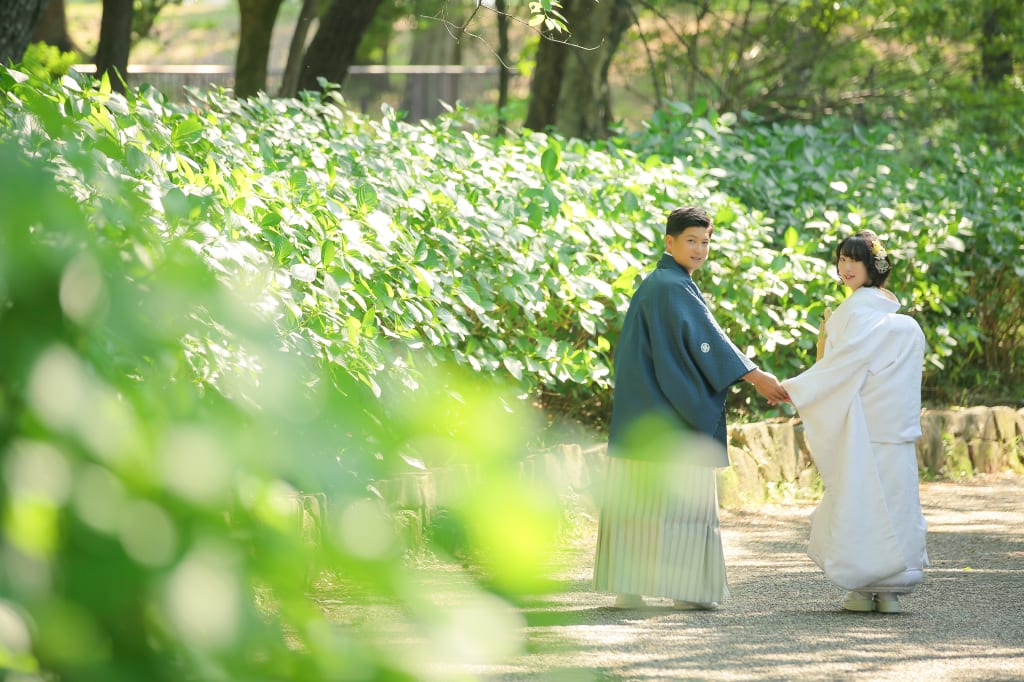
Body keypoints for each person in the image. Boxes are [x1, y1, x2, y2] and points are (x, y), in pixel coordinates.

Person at [593, 206, 789, 610]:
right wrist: (755, 376)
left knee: (637, 503)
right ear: (670, 242)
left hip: (641, 412)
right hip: (670, 415)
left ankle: (629, 588)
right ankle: (687, 590)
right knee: (682, 502)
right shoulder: (672, 286)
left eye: (705, 241)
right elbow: (708, 343)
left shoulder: (660, 282)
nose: (699, 249)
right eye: (691, 240)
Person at [782, 229, 928, 614]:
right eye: (842, 259)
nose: (846, 267)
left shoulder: (854, 316)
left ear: (872, 266)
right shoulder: (905, 325)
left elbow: (838, 369)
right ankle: (891, 592)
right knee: (896, 502)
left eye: (855, 260)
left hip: (863, 427)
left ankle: (863, 589)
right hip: (897, 426)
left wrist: (795, 389)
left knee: (862, 502)